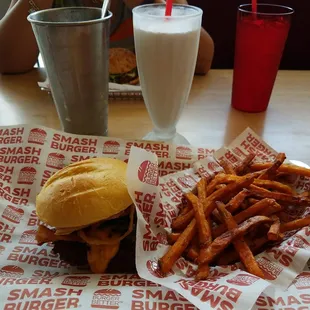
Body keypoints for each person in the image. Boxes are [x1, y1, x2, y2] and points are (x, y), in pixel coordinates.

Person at [0, 0, 214, 75]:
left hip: (148, 117)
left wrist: (155, 5)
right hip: (65, 116)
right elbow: (7, 60)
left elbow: (202, 61)